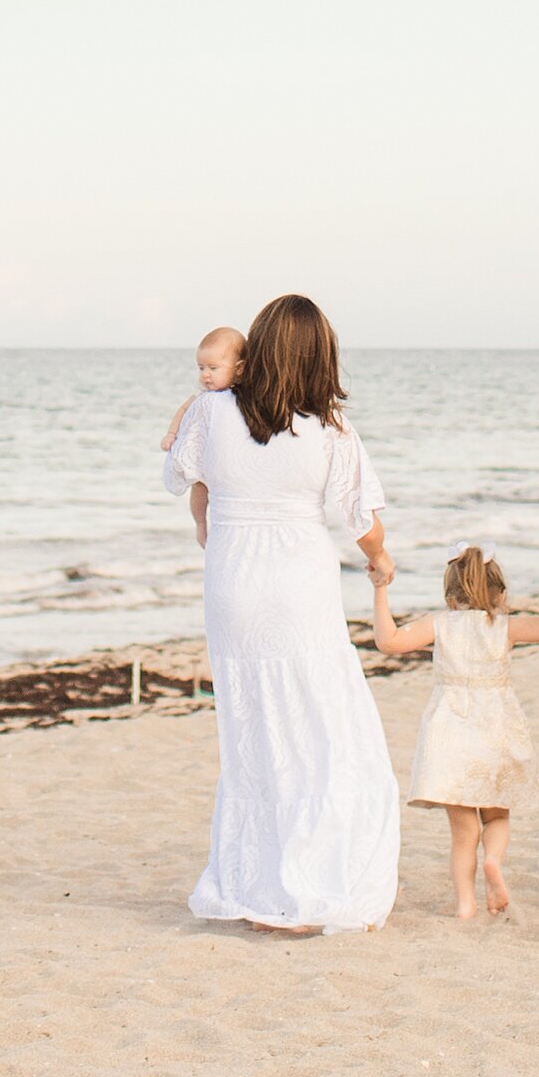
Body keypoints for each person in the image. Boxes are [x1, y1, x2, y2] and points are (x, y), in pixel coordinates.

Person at [163, 292, 400, 936]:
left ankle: (257, 885)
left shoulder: (211, 411)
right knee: (319, 729)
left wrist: (208, 518)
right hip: (299, 584)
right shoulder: (329, 429)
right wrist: (382, 562)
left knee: (253, 730)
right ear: (322, 356)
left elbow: (183, 475)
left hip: (232, 581)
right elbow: (363, 521)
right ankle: (309, 885)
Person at [372, 541, 539, 919]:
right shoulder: (504, 626)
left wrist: (380, 589)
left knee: (463, 832)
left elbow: (388, 642)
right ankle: (493, 861)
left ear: (450, 597)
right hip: (497, 730)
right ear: (499, 593)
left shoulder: (439, 624)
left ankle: (465, 904)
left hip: (451, 733)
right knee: (496, 816)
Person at [162, 324, 246, 542]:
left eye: (213, 368)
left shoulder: (242, 396)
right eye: (201, 368)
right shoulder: (203, 396)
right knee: (199, 486)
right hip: (203, 454)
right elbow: (183, 409)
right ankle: (200, 523)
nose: (206, 375)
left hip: (225, 459)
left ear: (239, 369)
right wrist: (171, 434)